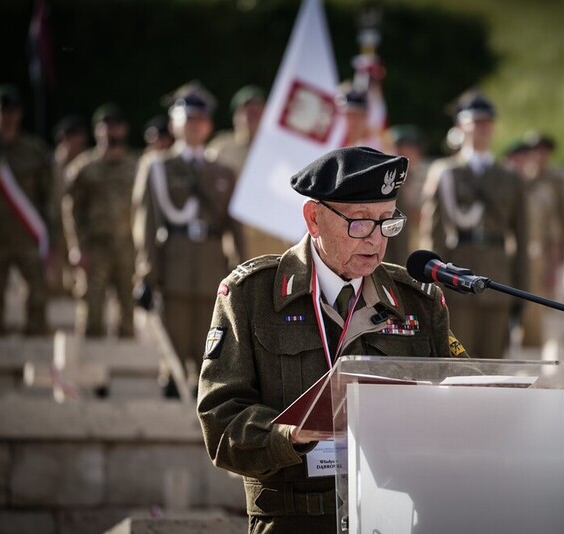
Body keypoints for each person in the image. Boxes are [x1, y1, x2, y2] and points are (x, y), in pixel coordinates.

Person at [197, 146, 467, 534]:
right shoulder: (250, 296)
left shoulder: (418, 301)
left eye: (387, 222)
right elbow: (220, 423)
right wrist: (290, 434)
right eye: (359, 223)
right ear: (314, 219)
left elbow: (463, 398)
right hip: (293, 520)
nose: (375, 240)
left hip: (396, 517)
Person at [135, 81, 244, 396]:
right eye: (188, 118)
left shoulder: (223, 172)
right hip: (174, 268)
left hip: (212, 269)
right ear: (174, 123)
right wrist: (146, 275)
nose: (195, 126)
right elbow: (146, 225)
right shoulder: (159, 167)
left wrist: (240, 272)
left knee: (209, 349)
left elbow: (233, 229)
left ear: (209, 125)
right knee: (174, 347)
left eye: (201, 119)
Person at [420, 90, 528, 358]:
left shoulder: (510, 178)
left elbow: (523, 238)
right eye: (475, 121)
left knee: (494, 361)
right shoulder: (446, 173)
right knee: (458, 361)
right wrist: (431, 284)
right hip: (457, 279)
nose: (482, 128)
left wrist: (521, 288)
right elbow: (432, 233)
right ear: (460, 126)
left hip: (498, 279)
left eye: (487, 122)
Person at [0, 84, 53, 336]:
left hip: (28, 235)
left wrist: (54, 236)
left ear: (19, 114)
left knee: (37, 295)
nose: (7, 116)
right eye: (1, 110)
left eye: (12, 110)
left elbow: (48, 195)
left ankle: (35, 346)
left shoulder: (34, 150)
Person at [64, 104, 138, 337]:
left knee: (129, 307)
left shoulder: (137, 165)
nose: (110, 133)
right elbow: (71, 211)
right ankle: (88, 362)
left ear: (124, 130)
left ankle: (126, 364)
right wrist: (76, 247)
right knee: (91, 309)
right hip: (95, 248)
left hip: (128, 247)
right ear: (97, 132)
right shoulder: (83, 168)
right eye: (105, 128)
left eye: (115, 127)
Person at [206, 85, 290, 260]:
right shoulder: (221, 147)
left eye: (257, 111)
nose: (252, 117)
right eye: (247, 111)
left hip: (272, 232)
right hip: (235, 233)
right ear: (236, 116)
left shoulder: (280, 148)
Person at [519, 132, 564, 347]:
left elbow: (562, 218)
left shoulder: (555, 183)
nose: (540, 156)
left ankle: (539, 342)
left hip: (547, 244)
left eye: (544, 152)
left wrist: (559, 250)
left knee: (543, 296)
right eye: (536, 151)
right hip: (525, 247)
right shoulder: (522, 181)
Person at [48, 114, 89, 296]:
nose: (79, 142)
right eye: (75, 138)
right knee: (55, 279)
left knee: (78, 276)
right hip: (54, 225)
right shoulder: (50, 164)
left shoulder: (87, 163)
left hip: (80, 225)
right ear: (63, 139)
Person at [383, 124, 428, 265]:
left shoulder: (428, 179)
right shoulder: (385, 183)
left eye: (410, 149)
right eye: (398, 148)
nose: (404, 154)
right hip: (391, 253)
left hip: (421, 248)